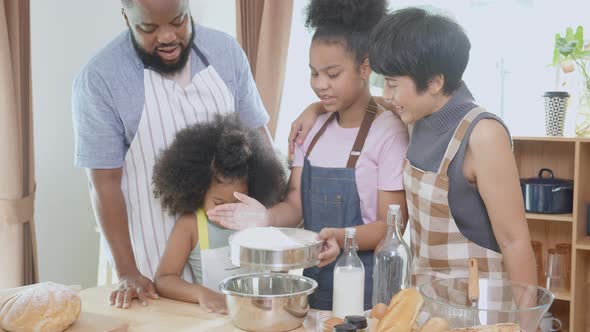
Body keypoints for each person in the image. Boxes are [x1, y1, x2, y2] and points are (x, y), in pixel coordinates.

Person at [291, 7, 537, 287]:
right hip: (427, 300)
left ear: (434, 82)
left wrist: (529, 322)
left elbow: (515, 241)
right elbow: (363, 103)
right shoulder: (415, 115)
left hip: (480, 307)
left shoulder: (483, 134)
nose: (387, 95)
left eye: (393, 85)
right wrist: (314, 109)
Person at [208, 0, 409, 311]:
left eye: (332, 73)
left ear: (365, 67)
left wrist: (341, 237)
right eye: (314, 73)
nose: (320, 85)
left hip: (368, 289)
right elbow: (294, 204)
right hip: (312, 283)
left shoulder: (388, 133)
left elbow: (391, 227)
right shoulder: (311, 130)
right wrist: (266, 218)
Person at [71, 0, 271, 309]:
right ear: (126, 17)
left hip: (227, 264)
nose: (167, 37)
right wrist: (128, 272)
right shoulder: (101, 78)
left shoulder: (225, 53)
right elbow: (104, 184)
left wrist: (266, 217)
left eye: (179, 21)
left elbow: (259, 146)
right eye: (148, 28)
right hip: (148, 269)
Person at [152, 115, 289, 314]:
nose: (229, 210)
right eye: (219, 203)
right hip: (214, 320)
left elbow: (279, 268)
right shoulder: (191, 225)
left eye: (238, 202)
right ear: (198, 191)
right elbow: (164, 279)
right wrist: (201, 294)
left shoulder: (256, 220)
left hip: (258, 316)